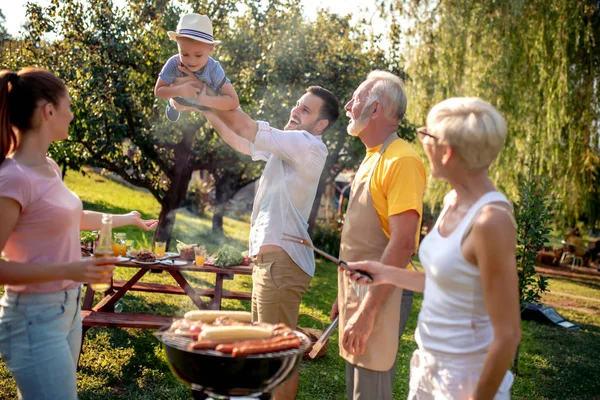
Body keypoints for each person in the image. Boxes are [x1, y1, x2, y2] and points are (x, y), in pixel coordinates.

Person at [344, 97, 521, 399]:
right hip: (427, 365)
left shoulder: (492, 221)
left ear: (447, 152)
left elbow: (508, 335)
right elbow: (445, 281)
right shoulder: (453, 200)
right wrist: (385, 273)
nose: (421, 139)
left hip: (466, 381)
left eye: (427, 134)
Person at [172, 83, 339, 399]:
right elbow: (240, 139)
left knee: (279, 354)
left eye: (306, 109)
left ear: (320, 125)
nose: (295, 110)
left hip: (282, 264)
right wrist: (207, 110)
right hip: (273, 262)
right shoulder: (290, 147)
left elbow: (246, 126)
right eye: (297, 104)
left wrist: (207, 98)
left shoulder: (307, 144)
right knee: (267, 349)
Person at [0, 67, 158, 399]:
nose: (72, 115)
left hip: (67, 310)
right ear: (49, 111)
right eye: (68, 106)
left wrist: (126, 218)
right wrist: (71, 269)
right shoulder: (13, 178)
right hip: (33, 317)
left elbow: (73, 216)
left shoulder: (49, 166)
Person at [330, 70, 427, 400]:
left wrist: (368, 311)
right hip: (357, 294)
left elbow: (402, 243)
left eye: (355, 99)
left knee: (369, 393)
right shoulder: (372, 157)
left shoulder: (402, 161)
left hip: (382, 299)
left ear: (375, 110)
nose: (346, 105)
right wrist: (343, 296)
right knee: (356, 390)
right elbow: (363, 238)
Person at [154, 13, 239, 122]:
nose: (191, 61)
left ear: (210, 49)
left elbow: (234, 101)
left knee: (221, 117)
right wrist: (179, 90)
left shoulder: (214, 69)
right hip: (180, 98)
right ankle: (172, 104)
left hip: (204, 103)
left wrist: (206, 100)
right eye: (184, 54)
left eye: (198, 55)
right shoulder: (174, 63)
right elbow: (158, 91)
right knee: (176, 103)